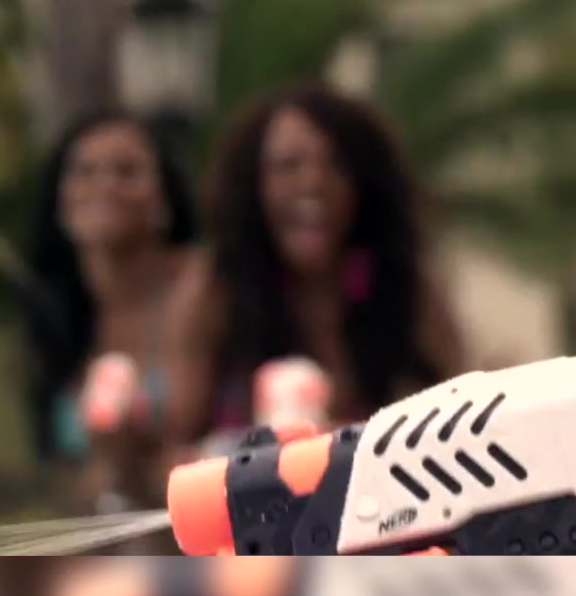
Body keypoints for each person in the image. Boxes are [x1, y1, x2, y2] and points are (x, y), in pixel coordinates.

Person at [162, 84, 466, 461]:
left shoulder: (407, 290)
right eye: (288, 167)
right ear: (253, 186)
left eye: (337, 164)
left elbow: (462, 422)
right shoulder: (217, 291)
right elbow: (172, 452)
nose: (313, 183)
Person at [22, 108, 200, 513]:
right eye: (84, 172)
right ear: (60, 202)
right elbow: (66, 476)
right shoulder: (61, 310)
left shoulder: (200, 287)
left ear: (165, 198)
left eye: (127, 171)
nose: (104, 185)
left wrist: (131, 459)